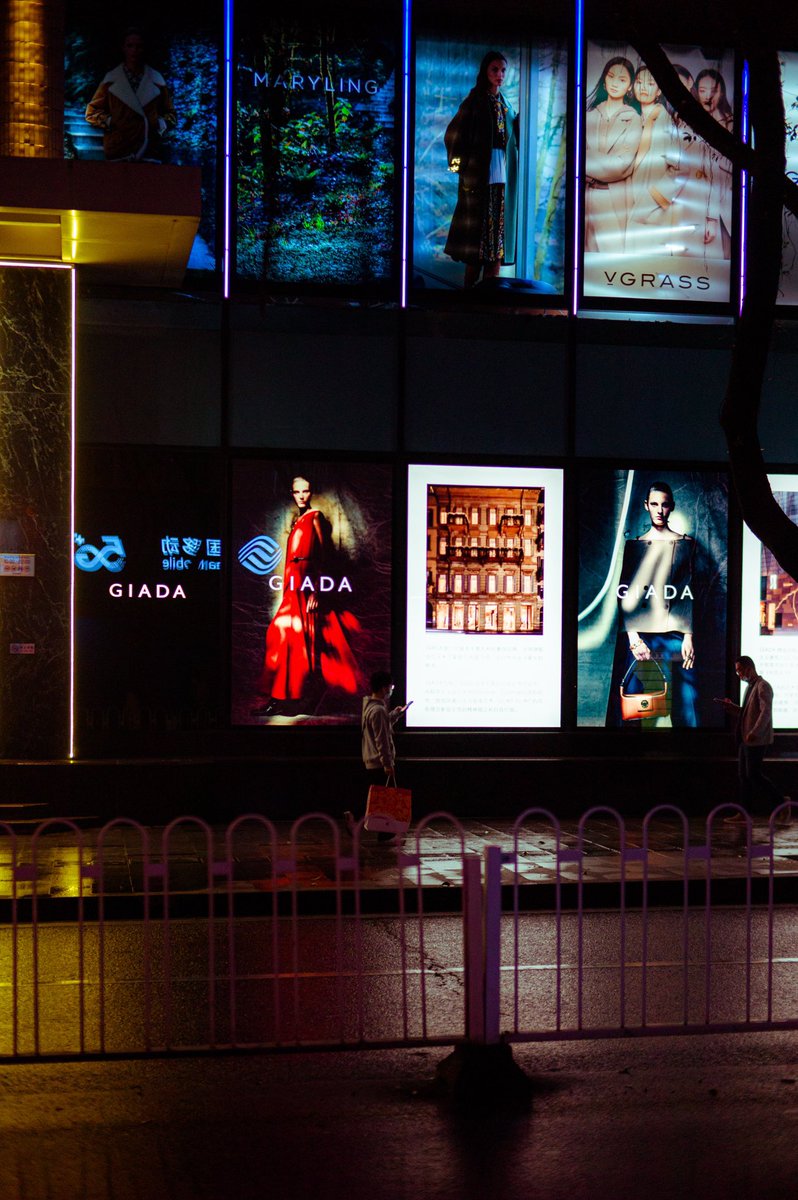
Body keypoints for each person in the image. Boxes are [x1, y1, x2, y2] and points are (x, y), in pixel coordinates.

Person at [252, 476, 362, 718]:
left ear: (310, 493)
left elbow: (325, 556)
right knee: (280, 637)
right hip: (292, 583)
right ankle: (279, 699)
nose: (301, 495)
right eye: (297, 492)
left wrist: (317, 590)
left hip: (306, 583)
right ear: (292, 494)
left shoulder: (315, 517)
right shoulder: (295, 522)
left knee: (300, 644)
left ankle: (292, 700)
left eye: (306, 491)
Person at [608, 481, 698, 727]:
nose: (659, 510)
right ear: (646, 506)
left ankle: (690, 755)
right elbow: (625, 594)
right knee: (632, 696)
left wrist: (689, 635)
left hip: (675, 632)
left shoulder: (686, 544)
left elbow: (688, 592)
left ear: (672, 507)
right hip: (642, 634)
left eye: (665, 504)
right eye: (655, 504)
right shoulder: (635, 546)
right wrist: (634, 639)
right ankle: (630, 757)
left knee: (687, 699)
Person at [444, 51, 519, 288]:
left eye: (503, 70)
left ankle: (490, 298)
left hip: (502, 183)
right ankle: (468, 300)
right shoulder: (474, 102)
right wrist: (460, 170)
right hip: (477, 182)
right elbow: (453, 136)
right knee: (475, 245)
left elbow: (514, 141)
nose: (499, 75)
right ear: (485, 72)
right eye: (495, 69)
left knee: (496, 244)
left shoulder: (506, 106)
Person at [716, 657, 790, 824]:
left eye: (740, 670)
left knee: (754, 775)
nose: (739, 674)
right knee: (744, 776)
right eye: (737, 671)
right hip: (745, 739)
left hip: (756, 740)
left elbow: (765, 713)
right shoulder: (750, 687)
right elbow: (748, 713)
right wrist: (732, 708)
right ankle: (744, 813)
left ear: (749, 668)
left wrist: (755, 732)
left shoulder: (763, 686)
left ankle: (781, 802)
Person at [85, 27, 176, 163]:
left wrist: (158, 124)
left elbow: (171, 115)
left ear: (144, 49)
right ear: (123, 48)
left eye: (139, 46)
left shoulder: (156, 80)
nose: (134, 50)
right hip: (119, 151)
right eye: (130, 46)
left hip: (148, 151)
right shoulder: (111, 80)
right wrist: (112, 121)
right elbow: (91, 113)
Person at [584, 57, 642, 254]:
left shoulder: (633, 119)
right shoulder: (588, 115)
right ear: (604, 80)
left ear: (630, 86)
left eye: (622, 79)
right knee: (586, 261)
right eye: (611, 77)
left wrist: (588, 162)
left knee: (611, 260)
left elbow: (623, 165)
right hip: (586, 196)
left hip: (613, 198)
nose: (615, 83)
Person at [345, 670, 410, 843]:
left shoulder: (370, 707)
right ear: (384, 688)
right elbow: (382, 739)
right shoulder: (379, 709)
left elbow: (381, 727)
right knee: (381, 799)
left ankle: (362, 821)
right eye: (391, 687)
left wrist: (395, 715)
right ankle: (375, 828)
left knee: (374, 797)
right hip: (378, 761)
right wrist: (388, 763)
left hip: (371, 759)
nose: (392, 690)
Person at [627, 66, 686, 243]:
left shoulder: (663, 120)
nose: (643, 87)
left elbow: (680, 168)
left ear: (659, 90)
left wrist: (653, 196)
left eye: (650, 83)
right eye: (639, 82)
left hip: (651, 208)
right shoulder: (635, 118)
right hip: (630, 200)